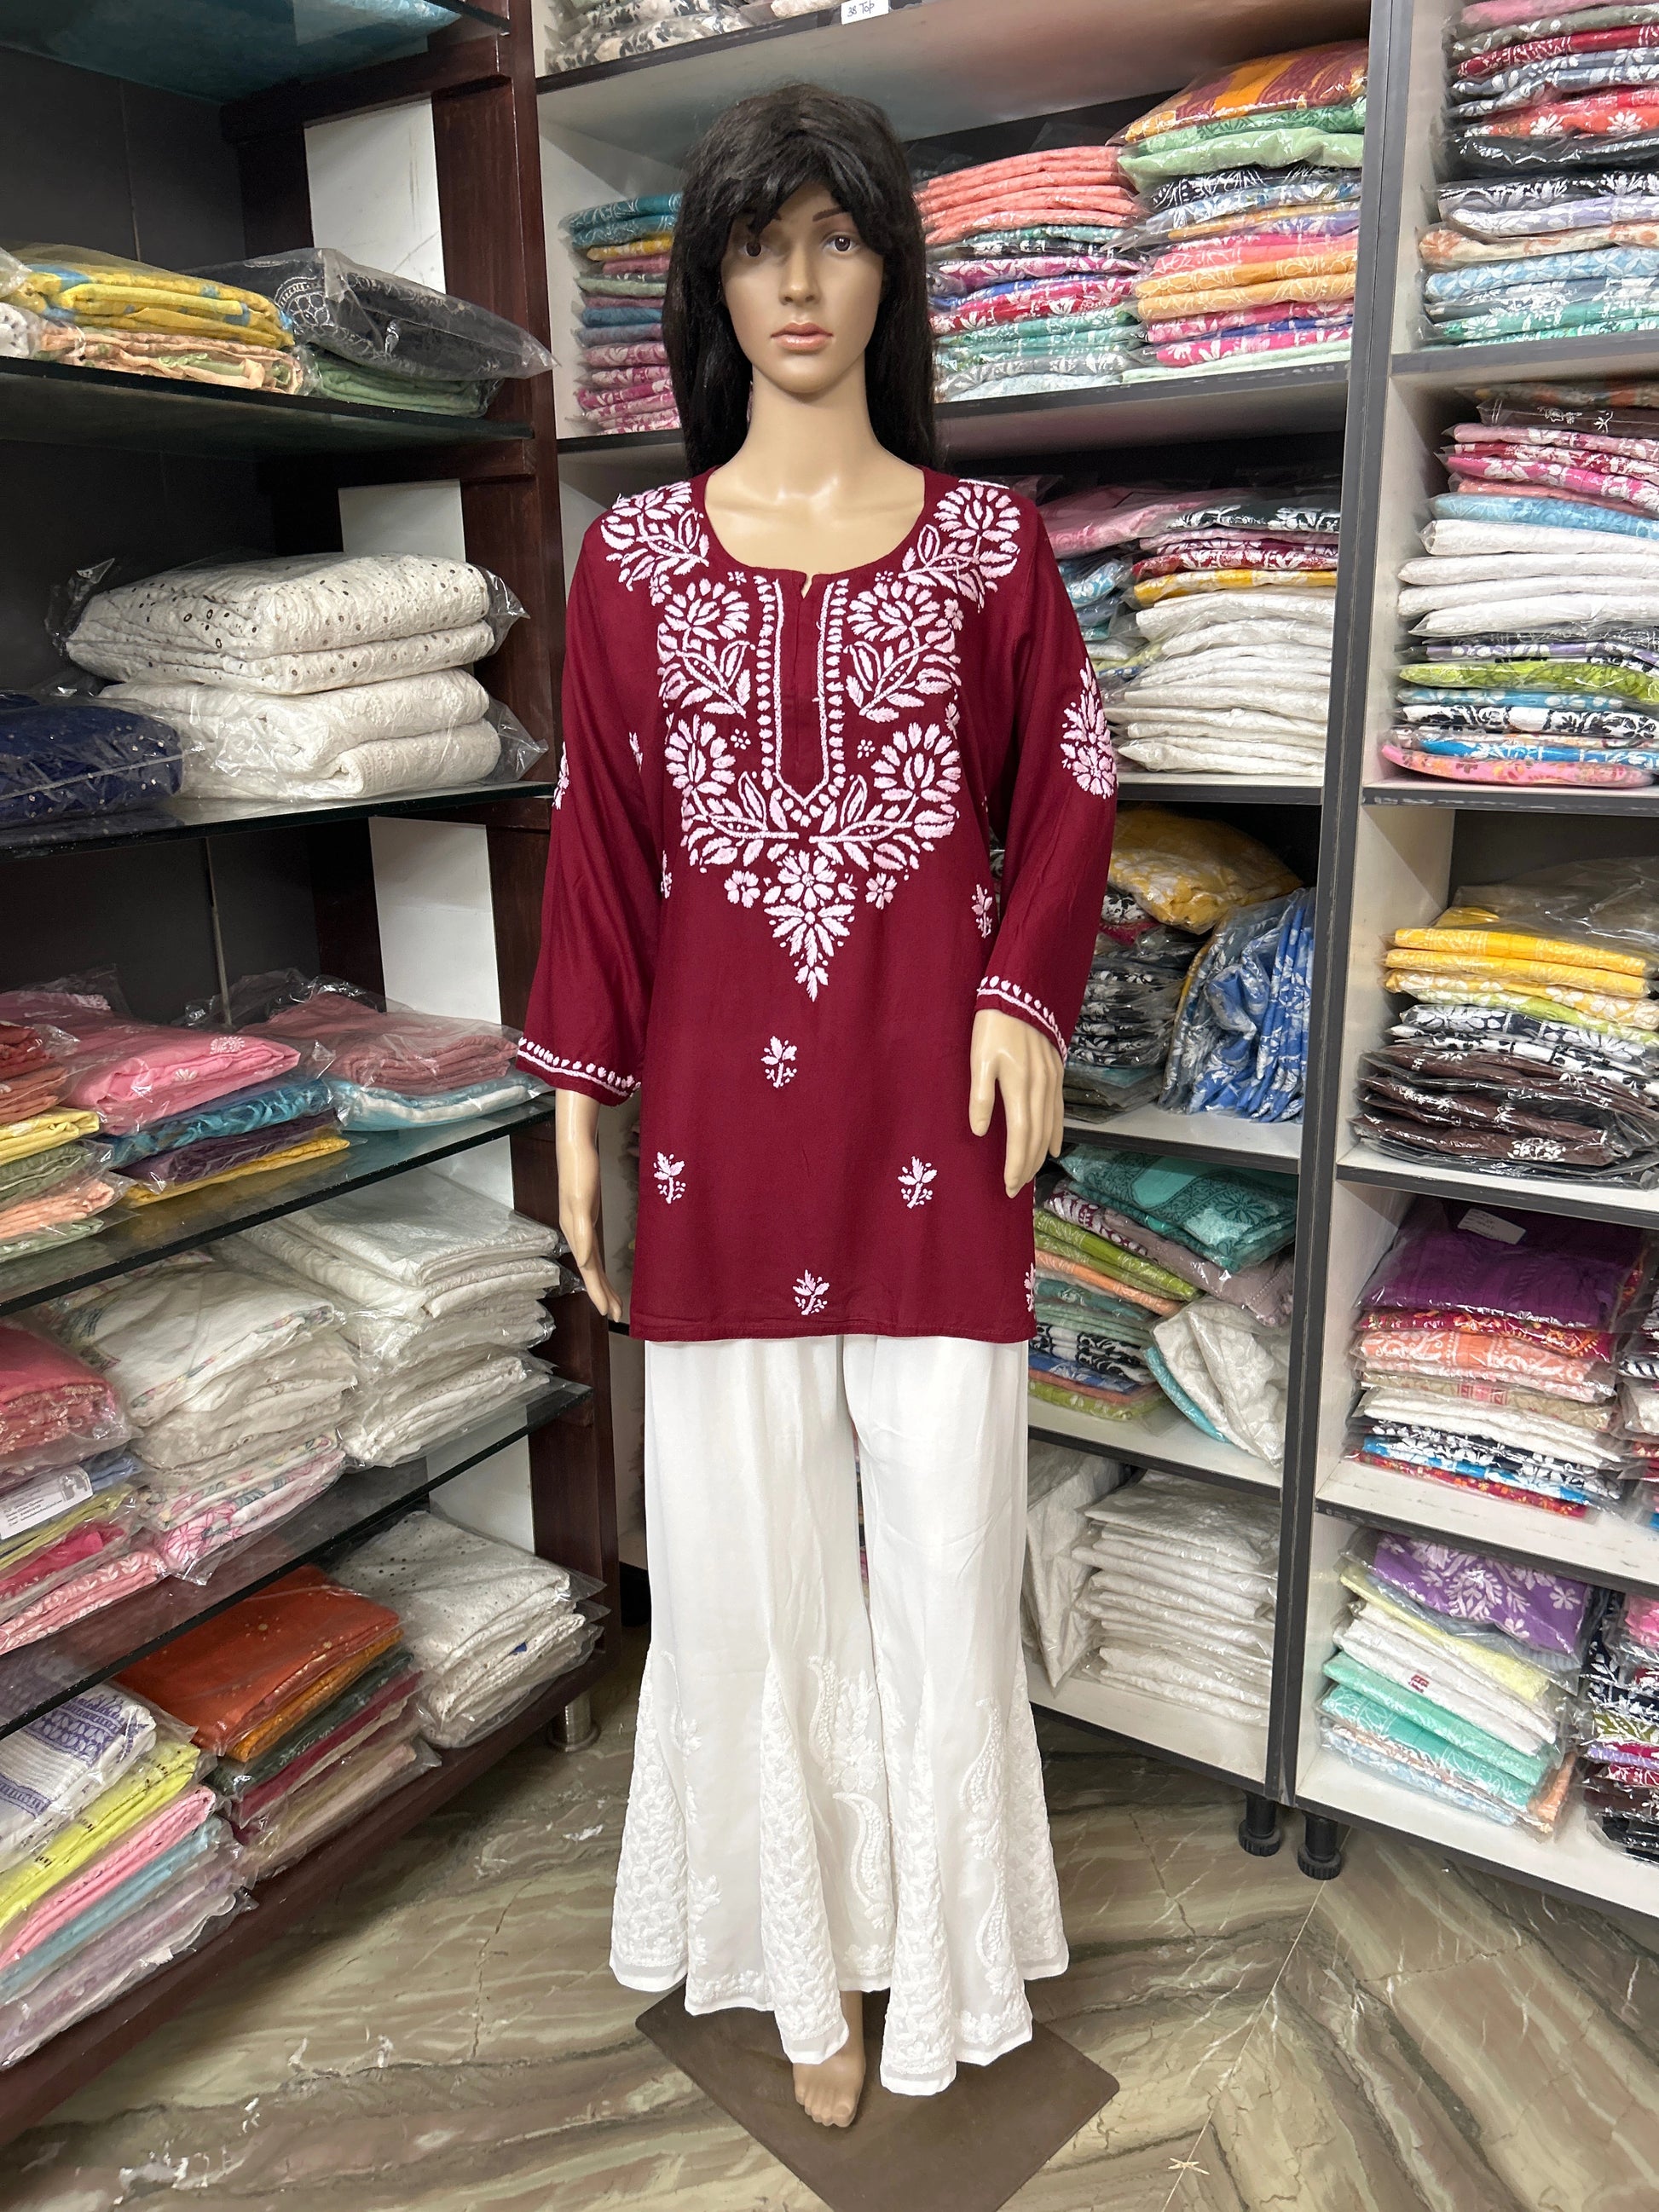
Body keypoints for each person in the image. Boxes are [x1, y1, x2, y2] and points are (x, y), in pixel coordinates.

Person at [518, 81, 1116, 2128]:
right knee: (747, 1557)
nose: (797, 281)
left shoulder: (986, 546)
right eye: (761, 241)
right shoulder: (632, 562)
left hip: (932, 1125)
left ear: (888, 268)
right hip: (704, 1125)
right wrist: (577, 1113)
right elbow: (600, 843)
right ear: (706, 274)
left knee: (944, 1547)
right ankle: (793, 1967)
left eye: (839, 236)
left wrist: (1027, 988)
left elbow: (1078, 779)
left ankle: (937, 1948)